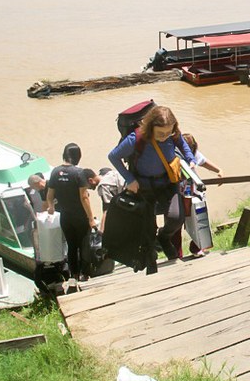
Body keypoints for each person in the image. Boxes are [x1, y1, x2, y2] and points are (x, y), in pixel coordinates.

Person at [108, 106, 196, 265]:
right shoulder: (136, 139)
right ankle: (150, 261)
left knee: (177, 218)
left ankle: (163, 237)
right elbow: (113, 156)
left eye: (168, 133)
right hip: (144, 187)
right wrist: (129, 179)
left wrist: (191, 160)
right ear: (150, 128)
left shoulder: (173, 133)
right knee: (148, 228)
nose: (164, 137)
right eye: (160, 134)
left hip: (169, 182)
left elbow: (183, 145)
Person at [46, 143, 96, 287]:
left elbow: (50, 194)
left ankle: (73, 275)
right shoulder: (79, 173)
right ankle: (85, 274)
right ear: (77, 157)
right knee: (84, 244)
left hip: (65, 217)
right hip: (80, 216)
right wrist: (91, 218)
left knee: (72, 246)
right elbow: (84, 197)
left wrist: (51, 206)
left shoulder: (55, 172)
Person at [96, 167, 125, 233]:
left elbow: (106, 210)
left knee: (107, 209)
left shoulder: (104, 182)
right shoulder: (117, 176)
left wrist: (101, 232)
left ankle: (101, 234)